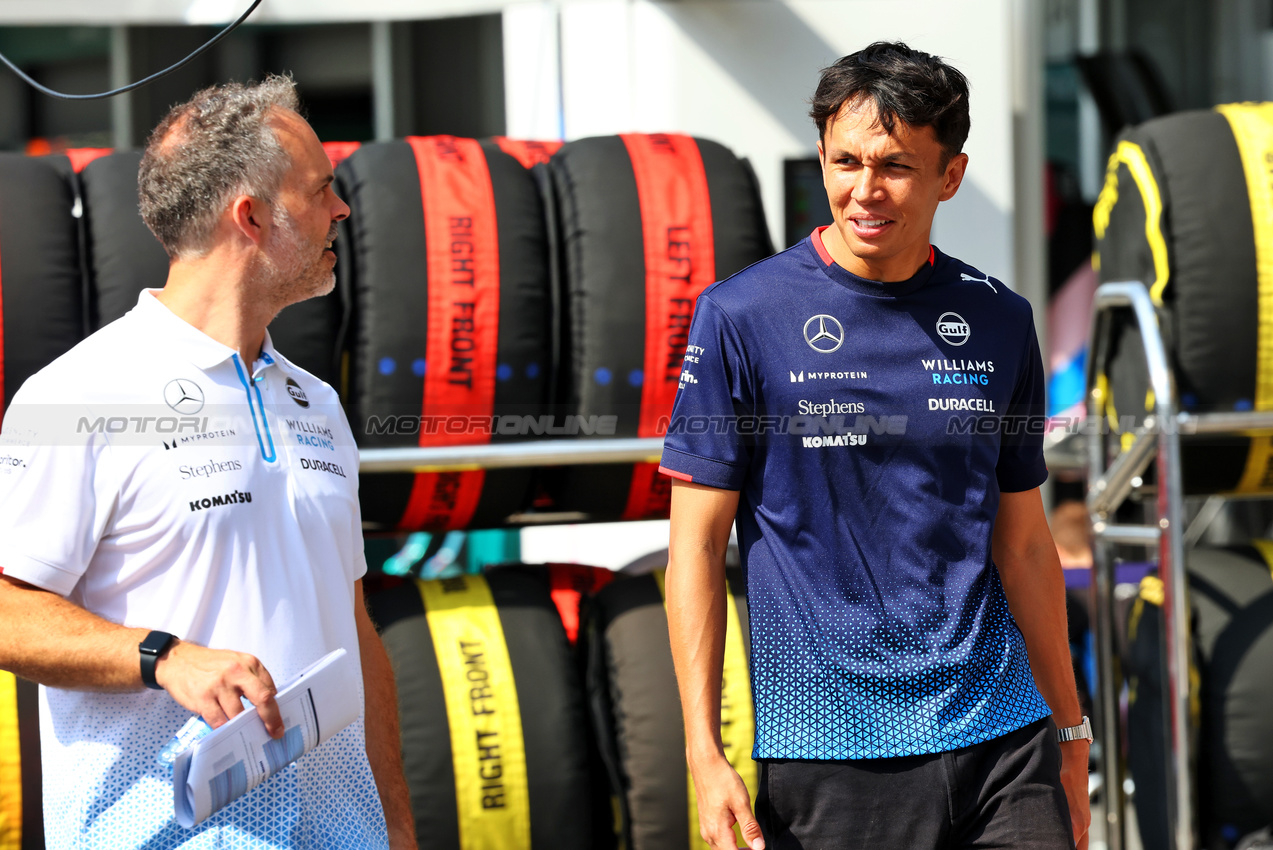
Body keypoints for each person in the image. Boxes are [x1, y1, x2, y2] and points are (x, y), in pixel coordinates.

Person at [661, 43, 1090, 850]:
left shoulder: (999, 319)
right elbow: (695, 546)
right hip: (829, 750)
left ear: (949, 176)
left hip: (1003, 735)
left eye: (894, 166)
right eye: (845, 161)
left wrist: (1069, 734)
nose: (864, 190)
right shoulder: (741, 317)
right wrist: (702, 750)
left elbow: (1025, 543)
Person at [0, 76, 415, 848]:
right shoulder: (76, 393)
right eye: (322, 190)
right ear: (251, 217)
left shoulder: (316, 402)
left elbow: (354, 634)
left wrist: (394, 826)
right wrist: (163, 659)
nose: (342, 210)